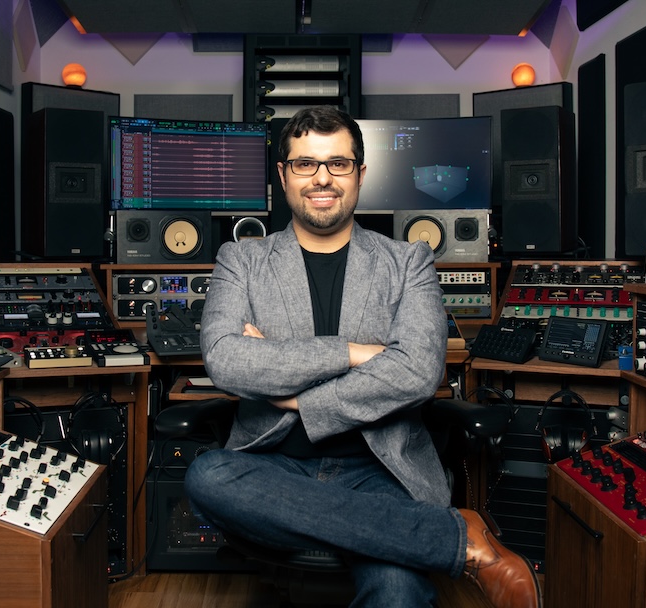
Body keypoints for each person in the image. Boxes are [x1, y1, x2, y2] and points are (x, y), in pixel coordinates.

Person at [184, 105, 540, 608]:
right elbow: (225, 359)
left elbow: (418, 372)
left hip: (383, 471)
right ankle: (457, 540)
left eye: (339, 164)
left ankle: (413, 534)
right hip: (274, 471)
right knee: (208, 476)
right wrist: (355, 353)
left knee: (397, 592)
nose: (322, 178)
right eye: (305, 164)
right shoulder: (240, 259)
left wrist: (295, 398)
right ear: (284, 175)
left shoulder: (408, 261)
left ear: (361, 174)